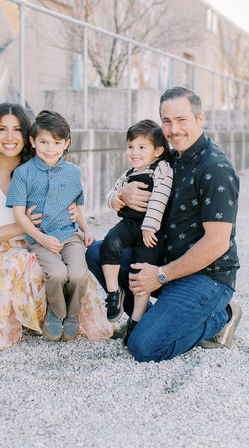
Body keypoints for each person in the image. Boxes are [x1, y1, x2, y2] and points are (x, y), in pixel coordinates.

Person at [86, 86, 241, 361]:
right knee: (98, 253)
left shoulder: (215, 169)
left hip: (205, 277)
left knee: (144, 348)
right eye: (167, 121)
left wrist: (161, 275)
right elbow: (132, 175)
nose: (174, 129)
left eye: (182, 120)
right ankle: (143, 317)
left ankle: (223, 315)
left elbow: (217, 243)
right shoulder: (169, 157)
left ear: (200, 119)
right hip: (161, 259)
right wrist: (122, 194)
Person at [0, 103, 112, 350]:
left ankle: (63, 316)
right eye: (2, 129)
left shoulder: (40, 167)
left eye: (17, 130)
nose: (10, 137)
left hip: (37, 244)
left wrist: (76, 217)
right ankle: (31, 319)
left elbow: (71, 199)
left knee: (71, 263)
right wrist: (20, 227)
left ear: (29, 137)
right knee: (29, 265)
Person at [6, 110, 105, 342]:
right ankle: (56, 312)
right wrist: (41, 239)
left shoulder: (73, 173)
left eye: (57, 143)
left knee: (79, 274)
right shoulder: (23, 174)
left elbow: (75, 207)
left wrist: (87, 230)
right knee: (57, 273)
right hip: (40, 238)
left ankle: (72, 316)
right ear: (32, 142)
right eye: (43, 142)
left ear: (66, 144)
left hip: (69, 235)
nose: (50, 149)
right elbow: (19, 215)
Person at [100, 120, 173, 345]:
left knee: (142, 271)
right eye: (131, 147)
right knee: (109, 243)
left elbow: (161, 197)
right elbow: (112, 191)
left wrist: (150, 226)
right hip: (130, 224)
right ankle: (114, 294)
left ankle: (137, 321)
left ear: (158, 150)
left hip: (152, 229)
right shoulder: (130, 172)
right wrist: (115, 198)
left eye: (142, 147)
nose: (134, 152)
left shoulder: (161, 168)